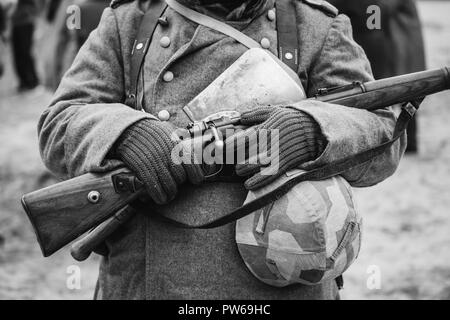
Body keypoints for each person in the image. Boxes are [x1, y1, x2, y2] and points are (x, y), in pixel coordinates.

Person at [37, 0, 406, 300]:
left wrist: (313, 130)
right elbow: (60, 122)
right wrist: (126, 133)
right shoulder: (129, 23)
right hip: (149, 280)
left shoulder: (314, 25)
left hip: (284, 275)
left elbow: (382, 133)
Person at [328, 0, 426, 153]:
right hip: (381, 40)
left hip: (387, 43)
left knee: (405, 90)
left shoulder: (375, 9)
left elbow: (377, 14)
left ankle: (407, 142)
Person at [11, 0, 40, 91]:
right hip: (17, 21)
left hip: (26, 20)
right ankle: (24, 81)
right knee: (18, 53)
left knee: (25, 52)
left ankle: (32, 81)